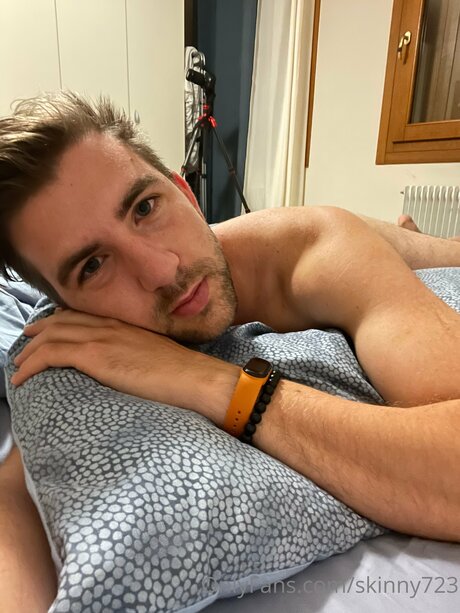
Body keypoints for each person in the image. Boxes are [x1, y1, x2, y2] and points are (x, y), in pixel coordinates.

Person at [0, 92, 459, 610]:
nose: (162, 270)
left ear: (186, 192)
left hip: (380, 245)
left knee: (434, 250)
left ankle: (412, 236)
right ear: (65, 305)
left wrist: (214, 383)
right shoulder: (74, 332)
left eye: (145, 208)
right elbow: (17, 486)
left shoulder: (322, 253)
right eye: (93, 266)